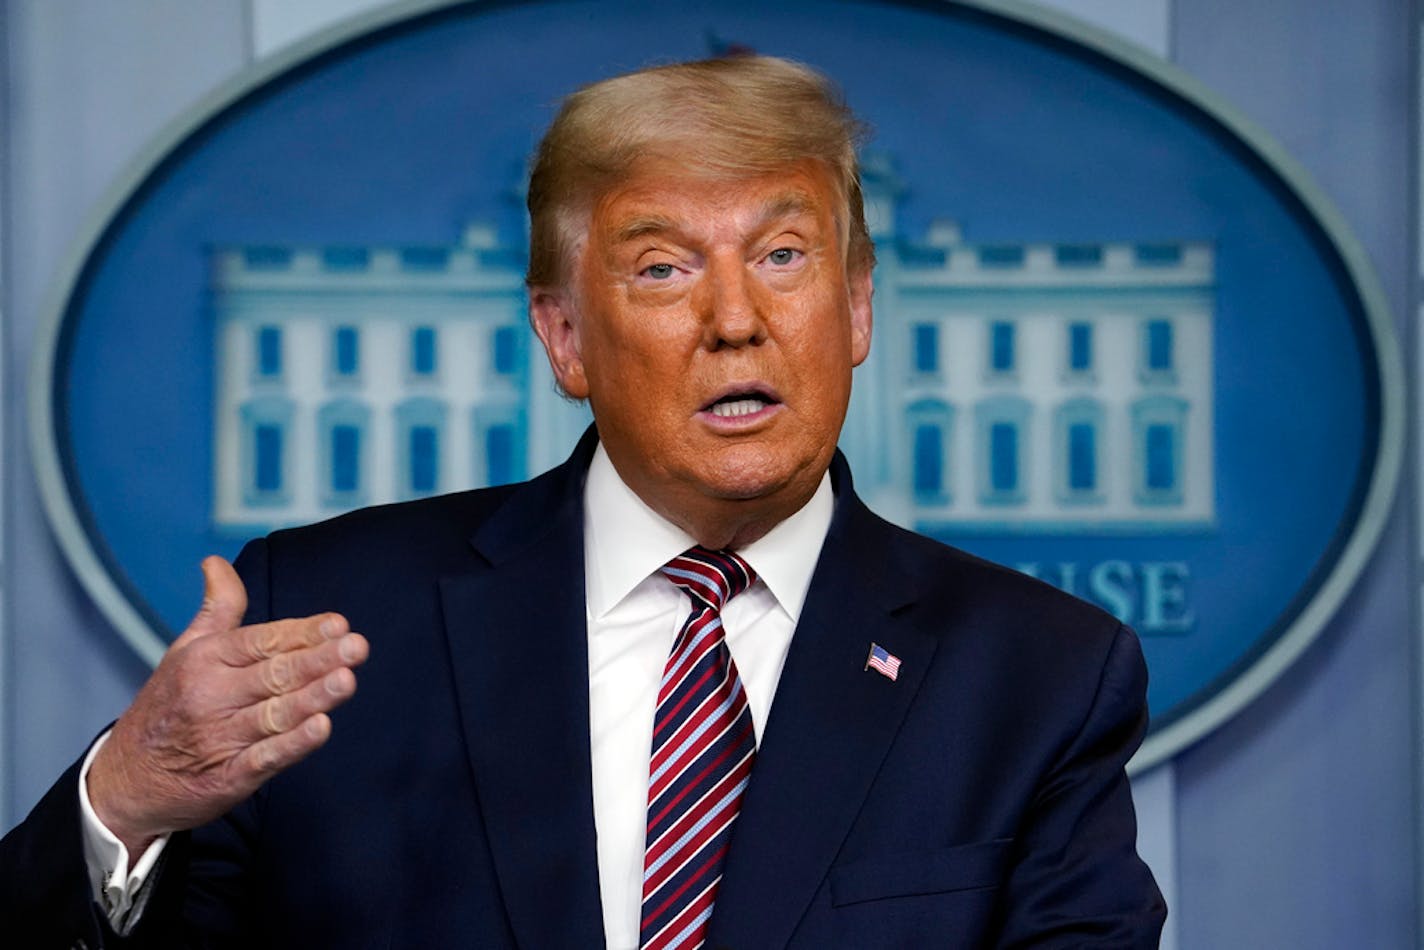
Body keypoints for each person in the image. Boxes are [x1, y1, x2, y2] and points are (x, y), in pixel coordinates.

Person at [2, 55, 1165, 947]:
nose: (734, 318)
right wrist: (127, 798)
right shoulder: (328, 619)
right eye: (661, 267)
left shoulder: (1037, 676)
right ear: (563, 337)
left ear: (855, 310)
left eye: (783, 255)